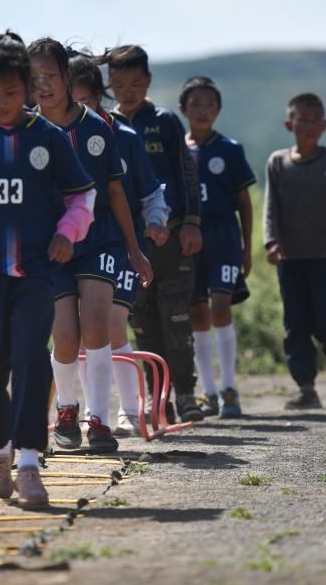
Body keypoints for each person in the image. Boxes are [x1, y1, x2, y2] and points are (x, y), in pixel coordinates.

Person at [0, 31, 97, 506]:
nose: (3, 102)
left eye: (12, 92)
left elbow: (82, 195)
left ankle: (30, 464)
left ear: (27, 88)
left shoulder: (48, 139)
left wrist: (67, 232)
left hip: (35, 272)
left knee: (31, 359)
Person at [27, 39, 152, 452]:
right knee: (65, 336)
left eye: (51, 76)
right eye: (34, 77)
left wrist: (134, 250)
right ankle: (66, 409)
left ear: (67, 77)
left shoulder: (98, 127)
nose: (42, 85)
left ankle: (99, 420)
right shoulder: (26, 130)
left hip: (100, 240)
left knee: (97, 325)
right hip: (52, 247)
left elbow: (116, 193)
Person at [68, 51, 170, 436]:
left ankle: (131, 410)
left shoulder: (124, 137)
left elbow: (149, 191)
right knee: (78, 330)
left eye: (86, 101)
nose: (79, 109)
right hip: (74, 247)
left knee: (112, 327)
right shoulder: (56, 134)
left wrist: (157, 221)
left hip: (116, 247)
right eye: (71, 101)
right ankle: (92, 411)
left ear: (100, 96)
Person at [105, 45, 205, 423]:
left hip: (173, 238)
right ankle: (157, 400)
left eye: (135, 83)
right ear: (109, 85)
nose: (128, 90)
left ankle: (187, 394)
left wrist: (192, 221)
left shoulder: (165, 121)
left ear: (147, 81)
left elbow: (186, 173)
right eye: (119, 84)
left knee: (177, 319)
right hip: (131, 242)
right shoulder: (106, 127)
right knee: (142, 324)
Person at [264, 93, 326, 409]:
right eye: (302, 119)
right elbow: (271, 209)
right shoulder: (277, 162)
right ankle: (307, 388)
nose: (308, 125)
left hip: (324, 257)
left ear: (323, 126)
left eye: (315, 119)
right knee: (296, 325)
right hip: (290, 259)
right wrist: (271, 241)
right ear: (289, 123)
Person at [178, 76, 255, 418]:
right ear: (183, 109)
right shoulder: (177, 149)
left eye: (209, 104)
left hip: (224, 235)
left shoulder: (230, 149)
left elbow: (244, 200)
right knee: (197, 312)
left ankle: (230, 388)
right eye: (195, 104)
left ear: (219, 109)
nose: (203, 110)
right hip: (189, 237)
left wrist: (247, 247)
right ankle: (208, 391)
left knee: (221, 306)